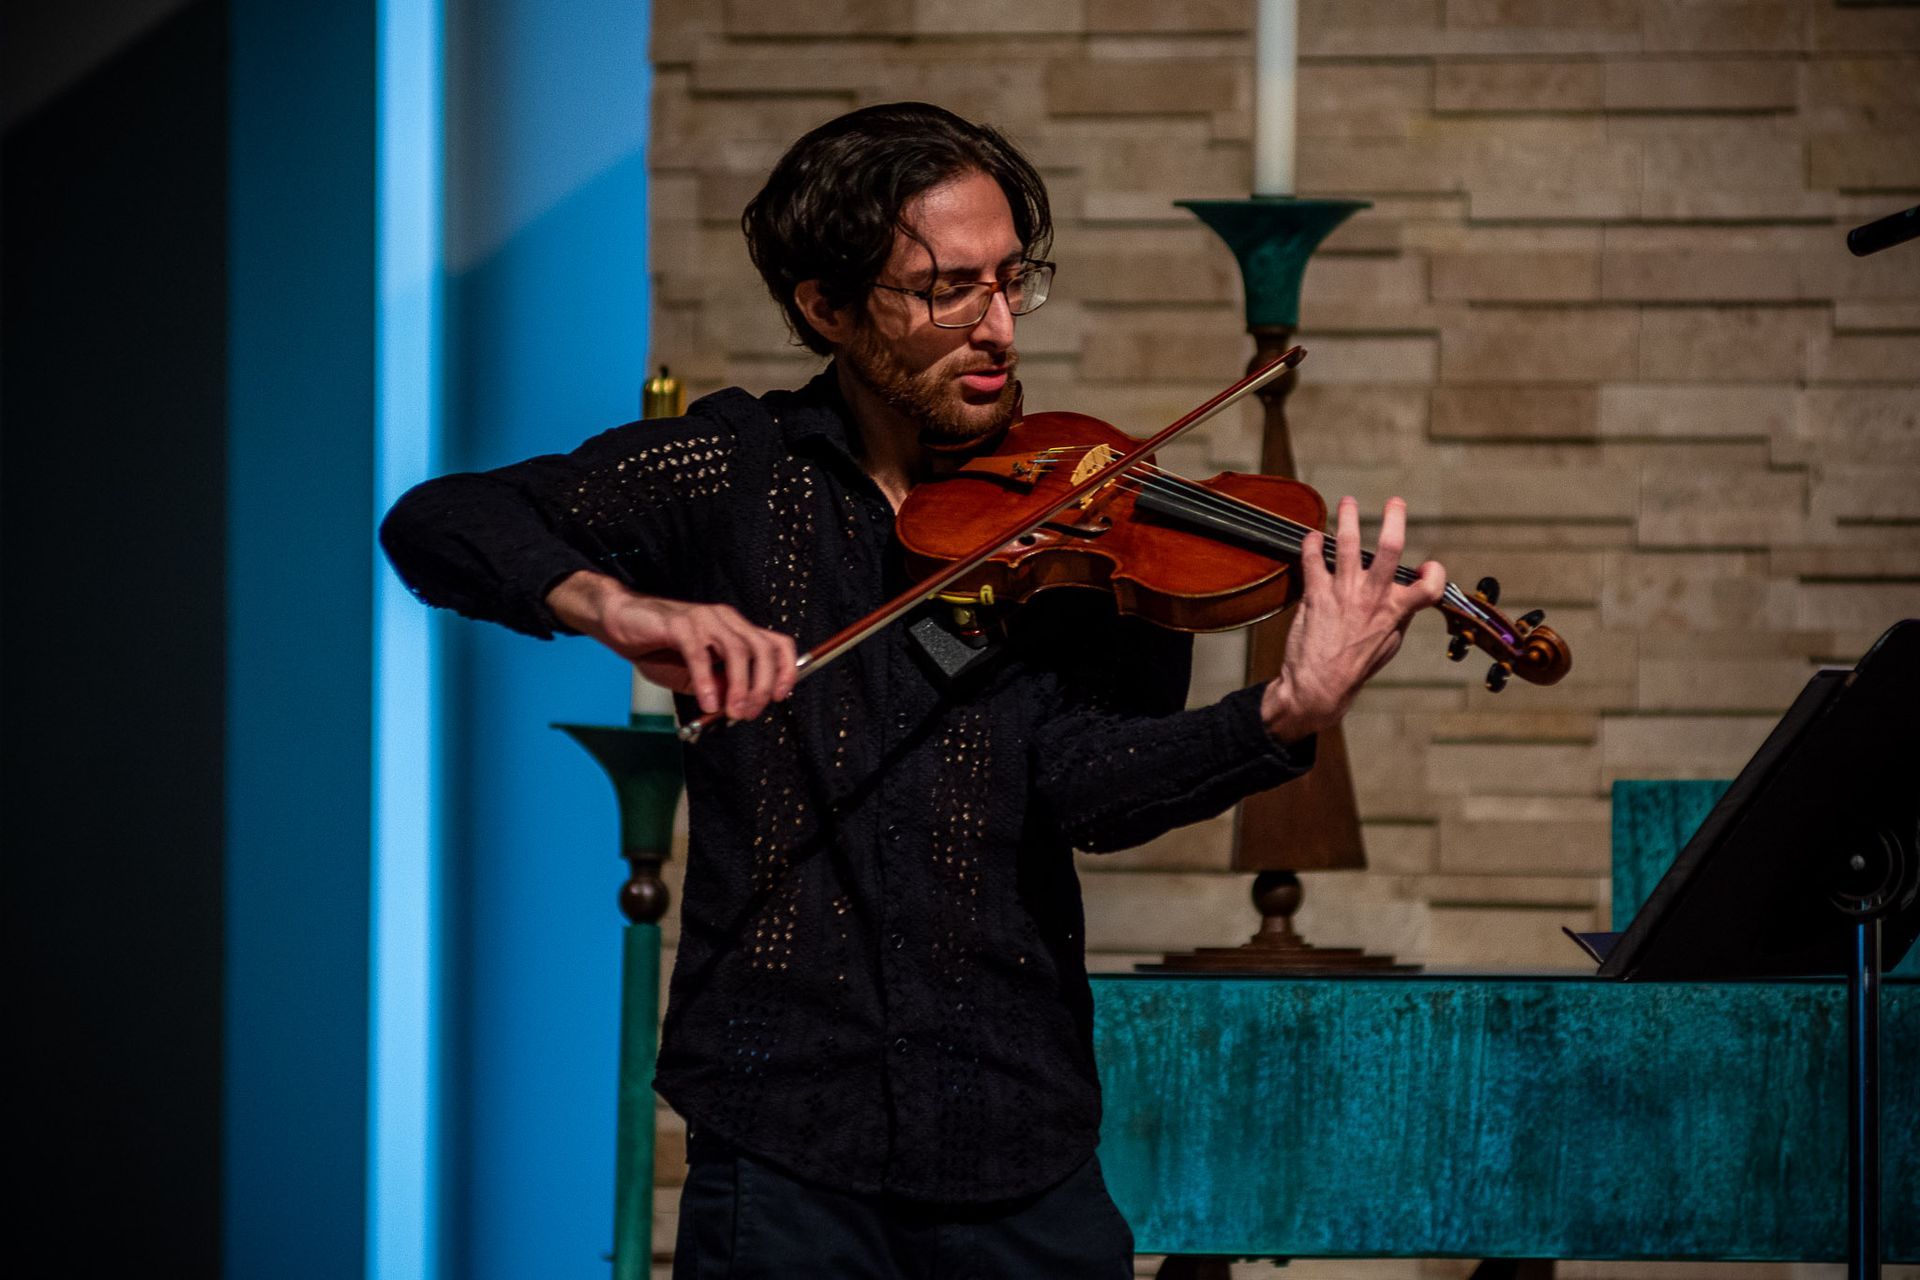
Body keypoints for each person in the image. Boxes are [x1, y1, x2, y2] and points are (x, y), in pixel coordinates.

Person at [381, 101, 1445, 1279]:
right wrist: (615, 607)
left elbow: (1092, 790)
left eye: (1011, 280)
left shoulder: (1087, 515)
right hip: (782, 1140)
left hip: (1020, 1136)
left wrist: (1284, 713)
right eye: (947, 290)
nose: (998, 327)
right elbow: (441, 519)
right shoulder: (735, 470)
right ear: (827, 308)